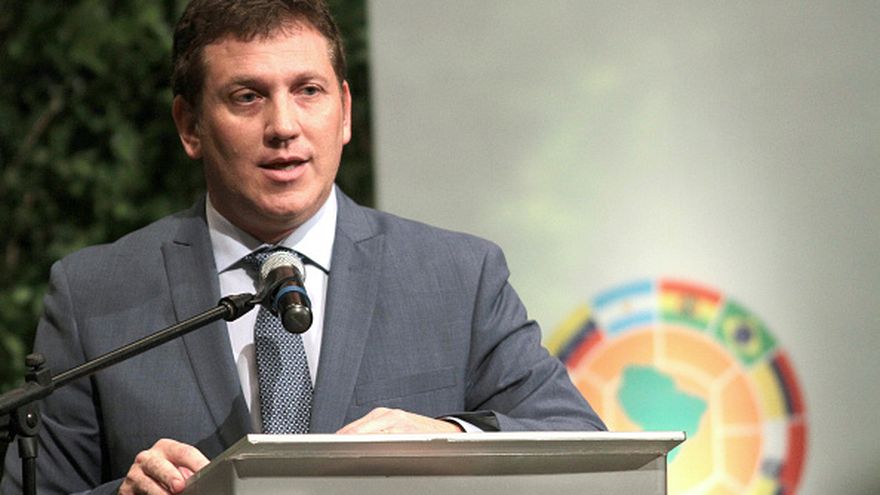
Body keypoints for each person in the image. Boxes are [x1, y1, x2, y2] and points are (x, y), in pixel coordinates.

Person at [1, 0, 605, 493]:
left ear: (344, 113)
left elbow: (580, 444)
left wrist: (447, 438)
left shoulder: (457, 276)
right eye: (247, 96)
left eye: (308, 90)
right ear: (190, 125)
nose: (284, 126)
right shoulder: (94, 294)